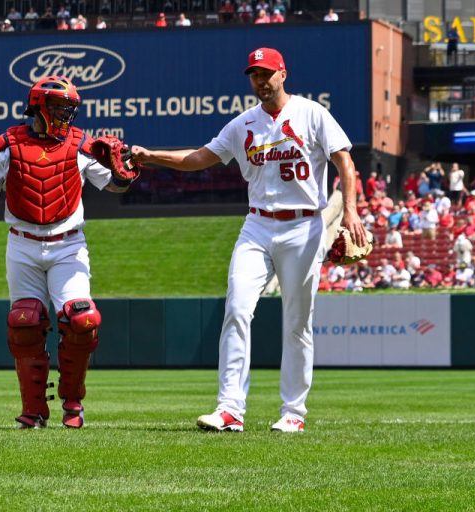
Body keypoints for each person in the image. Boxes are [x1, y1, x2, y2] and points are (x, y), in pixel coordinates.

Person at [131, 48, 366, 433]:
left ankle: (294, 412)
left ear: (283, 74)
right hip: (257, 226)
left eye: (266, 73)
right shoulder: (243, 124)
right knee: (237, 309)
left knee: (297, 322)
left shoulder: (312, 113)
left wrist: (352, 211)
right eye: (254, 74)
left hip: (303, 227)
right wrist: (150, 155)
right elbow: (198, 158)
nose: (260, 81)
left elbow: (344, 161)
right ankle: (230, 409)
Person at [0, 76, 136, 429]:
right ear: (39, 106)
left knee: (82, 320)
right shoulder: (8, 144)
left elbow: (113, 184)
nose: (67, 115)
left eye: (70, 109)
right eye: (60, 108)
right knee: (25, 323)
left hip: (68, 243)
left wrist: (123, 173)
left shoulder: (83, 145)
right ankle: (33, 410)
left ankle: (73, 401)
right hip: (22, 243)